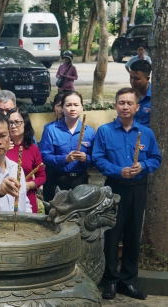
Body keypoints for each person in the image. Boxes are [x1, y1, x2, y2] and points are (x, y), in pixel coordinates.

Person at [93, 87, 161, 300]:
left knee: (133, 235)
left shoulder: (146, 133)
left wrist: (143, 165)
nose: (125, 107)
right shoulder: (105, 131)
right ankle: (111, 281)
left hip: (137, 189)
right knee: (112, 235)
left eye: (129, 103)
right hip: (114, 187)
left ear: (137, 107)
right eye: (121, 102)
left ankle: (128, 281)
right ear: (115, 105)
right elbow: (98, 158)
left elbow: (156, 159)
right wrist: (117, 170)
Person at [40, 91, 95, 203]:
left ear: (81, 107)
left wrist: (86, 158)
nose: (72, 108)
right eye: (68, 105)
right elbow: (44, 156)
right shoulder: (51, 130)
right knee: (54, 217)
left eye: (76, 105)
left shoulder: (89, 131)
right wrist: (65, 159)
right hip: (55, 180)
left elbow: (95, 158)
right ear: (62, 108)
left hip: (80, 182)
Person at [6, 108, 46, 213]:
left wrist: (29, 185)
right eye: (10, 123)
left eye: (17, 122)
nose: (13, 126)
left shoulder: (33, 148)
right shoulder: (1, 147)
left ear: (25, 123)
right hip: (5, 197)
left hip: (27, 196)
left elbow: (41, 176)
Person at [129, 60, 151, 127]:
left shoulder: (156, 97)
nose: (132, 81)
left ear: (147, 78)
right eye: (131, 77)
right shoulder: (128, 95)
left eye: (137, 79)